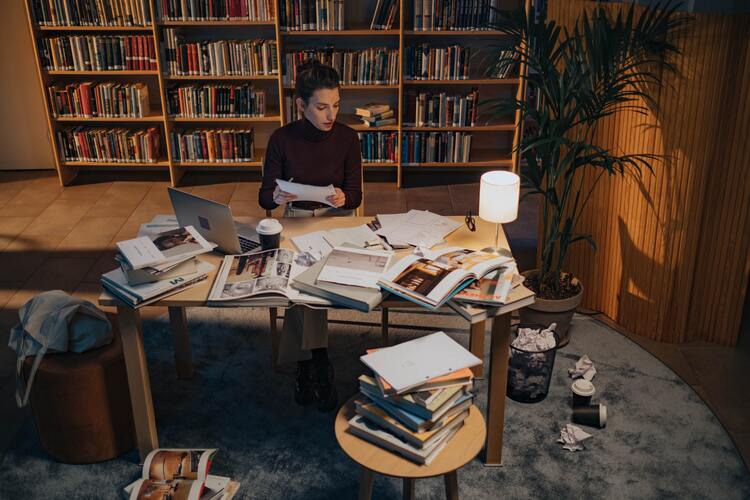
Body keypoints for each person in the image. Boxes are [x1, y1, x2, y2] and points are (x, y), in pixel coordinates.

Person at [258, 59, 362, 411]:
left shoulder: (348, 138)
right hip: (297, 219)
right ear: (301, 105)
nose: (330, 114)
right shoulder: (281, 139)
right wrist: (275, 195)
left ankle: (308, 364)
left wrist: (345, 197)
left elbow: (357, 195)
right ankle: (317, 362)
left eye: (336, 105)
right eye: (321, 107)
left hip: (339, 219)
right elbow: (264, 197)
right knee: (302, 285)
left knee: (307, 288)